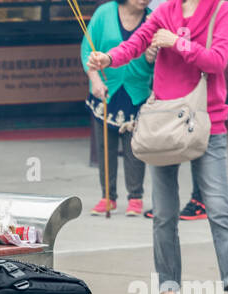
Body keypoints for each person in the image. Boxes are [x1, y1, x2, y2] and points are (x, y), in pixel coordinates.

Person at [89, 0, 228, 294]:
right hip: (165, 123)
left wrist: (177, 43)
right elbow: (137, 42)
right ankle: (168, 285)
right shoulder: (165, 11)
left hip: (207, 120)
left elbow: (217, 62)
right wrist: (109, 58)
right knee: (164, 212)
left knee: (219, 206)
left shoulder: (221, 9)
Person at [81, 0, 153, 216]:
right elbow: (88, 50)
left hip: (136, 89)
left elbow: (155, 60)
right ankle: (108, 197)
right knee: (105, 146)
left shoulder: (152, 19)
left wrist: (152, 54)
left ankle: (136, 198)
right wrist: (95, 80)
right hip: (106, 87)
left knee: (134, 148)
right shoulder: (104, 13)